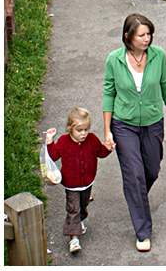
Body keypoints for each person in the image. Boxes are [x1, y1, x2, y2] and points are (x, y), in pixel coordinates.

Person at [103, 13, 166, 252]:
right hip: (123, 124)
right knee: (134, 174)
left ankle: (135, 195)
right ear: (128, 37)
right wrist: (107, 132)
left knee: (152, 170)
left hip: (153, 121)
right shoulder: (114, 60)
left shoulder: (159, 56)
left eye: (149, 34)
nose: (147, 39)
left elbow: (165, 85)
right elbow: (108, 94)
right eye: (142, 35)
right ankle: (143, 231)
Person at [46, 107, 113, 254]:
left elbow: (100, 153)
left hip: (87, 182)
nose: (83, 134)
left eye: (85, 130)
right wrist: (50, 141)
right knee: (73, 208)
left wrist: (108, 148)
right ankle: (74, 238)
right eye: (79, 130)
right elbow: (54, 155)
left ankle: (79, 221)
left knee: (83, 206)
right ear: (70, 129)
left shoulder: (92, 140)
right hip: (71, 184)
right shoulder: (64, 141)